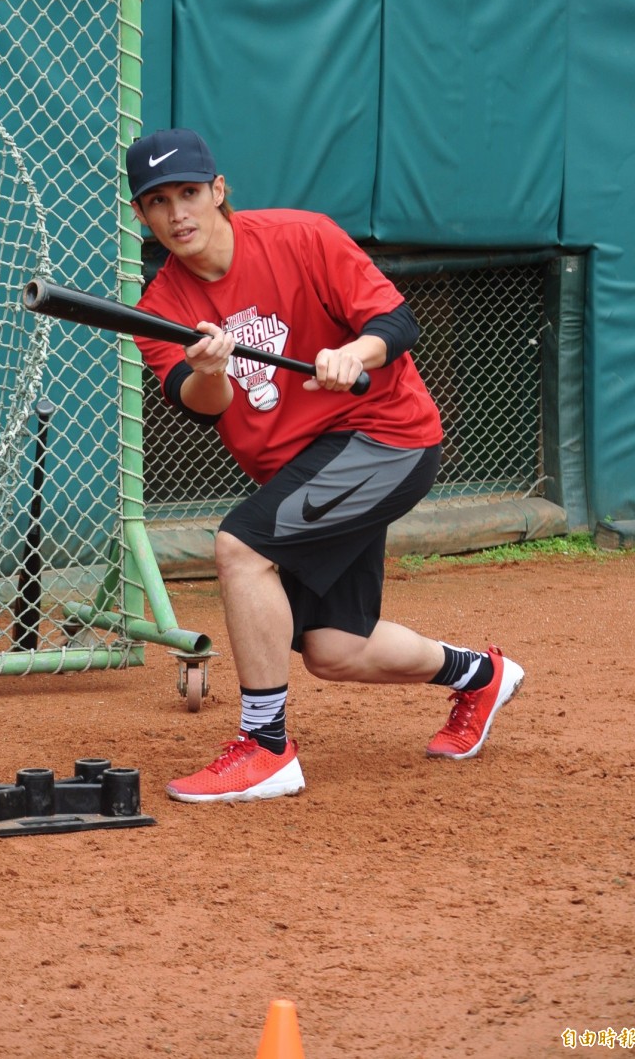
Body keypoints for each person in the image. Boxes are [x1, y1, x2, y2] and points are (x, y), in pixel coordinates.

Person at [127, 127, 524, 804]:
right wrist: (210, 370)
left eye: (189, 193)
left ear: (219, 192)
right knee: (336, 648)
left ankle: (266, 746)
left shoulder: (300, 237)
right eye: (158, 201)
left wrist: (355, 354)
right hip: (314, 462)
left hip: (383, 436)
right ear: (141, 214)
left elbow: (397, 322)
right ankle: (480, 675)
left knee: (240, 547)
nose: (178, 214)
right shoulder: (161, 308)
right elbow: (200, 406)